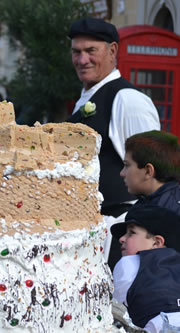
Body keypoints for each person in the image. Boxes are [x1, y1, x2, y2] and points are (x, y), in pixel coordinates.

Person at [67, 17, 160, 270]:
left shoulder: (129, 100)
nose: (82, 60)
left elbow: (154, 173)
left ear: (112, 51)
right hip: (87, 231)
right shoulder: (86, 97)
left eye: (90, 51)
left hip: (116, 232)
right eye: (76, 52)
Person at [111, 204, 180, 332]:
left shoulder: (128, 264)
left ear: (157, 242)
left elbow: (113, 316)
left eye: (131, 233)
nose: (121, 239)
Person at [120, 130, 180, 215]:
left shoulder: (164, 214)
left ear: (148, 171)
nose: (122, 173)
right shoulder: (150, 203)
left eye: (127, 165)